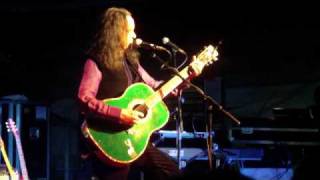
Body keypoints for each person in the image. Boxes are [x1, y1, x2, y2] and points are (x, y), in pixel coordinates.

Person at [77, 7, 181, 180]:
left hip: (134, 137)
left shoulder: (131, 61)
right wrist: (119, 113)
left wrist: (182, 80)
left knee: (170, 172)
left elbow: (154, 85)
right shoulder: (96, 60)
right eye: (129, 31)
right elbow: (84, 98)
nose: (134, 36)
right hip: (110, 139)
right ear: (116, 32)